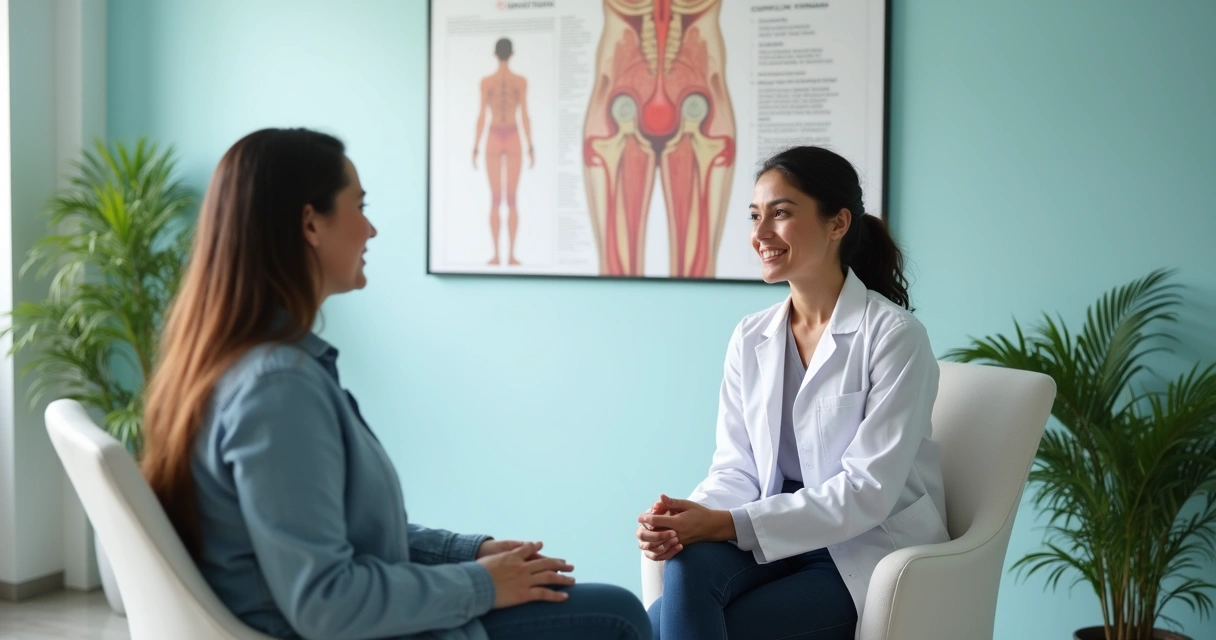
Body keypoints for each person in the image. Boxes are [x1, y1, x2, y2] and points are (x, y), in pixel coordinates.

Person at [141, 128, 649, 640]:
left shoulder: (234, 367)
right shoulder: (277, 391)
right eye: (359, 206)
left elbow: (342, 538)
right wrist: (481, 585)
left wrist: (466, 555)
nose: (371, 229)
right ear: (311, 223)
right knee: (617, 615)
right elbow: (326, 602)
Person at [636, 146, 949, 639]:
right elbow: (736, 466)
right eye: (755, 216)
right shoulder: (750, 336)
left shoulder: (894, 336)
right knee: (685, 567)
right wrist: (685, 520)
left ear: (838, 223)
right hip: (774, 532)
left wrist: (723, 525)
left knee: (658, 628)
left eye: (780, 214)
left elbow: (866, 493)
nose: (760, 234)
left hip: (861, 551)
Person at [473, 37, 532, 267]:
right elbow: (524, 115)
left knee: (501, 199)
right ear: (512, 53)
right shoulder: (518, 81)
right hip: (508, 135)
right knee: (505, 199)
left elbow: (482, 116)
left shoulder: (489, 81)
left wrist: (476, 146)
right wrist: (530, 145)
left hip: (499, 135)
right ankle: (502, 255)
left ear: (494, 53)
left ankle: (505, 255)